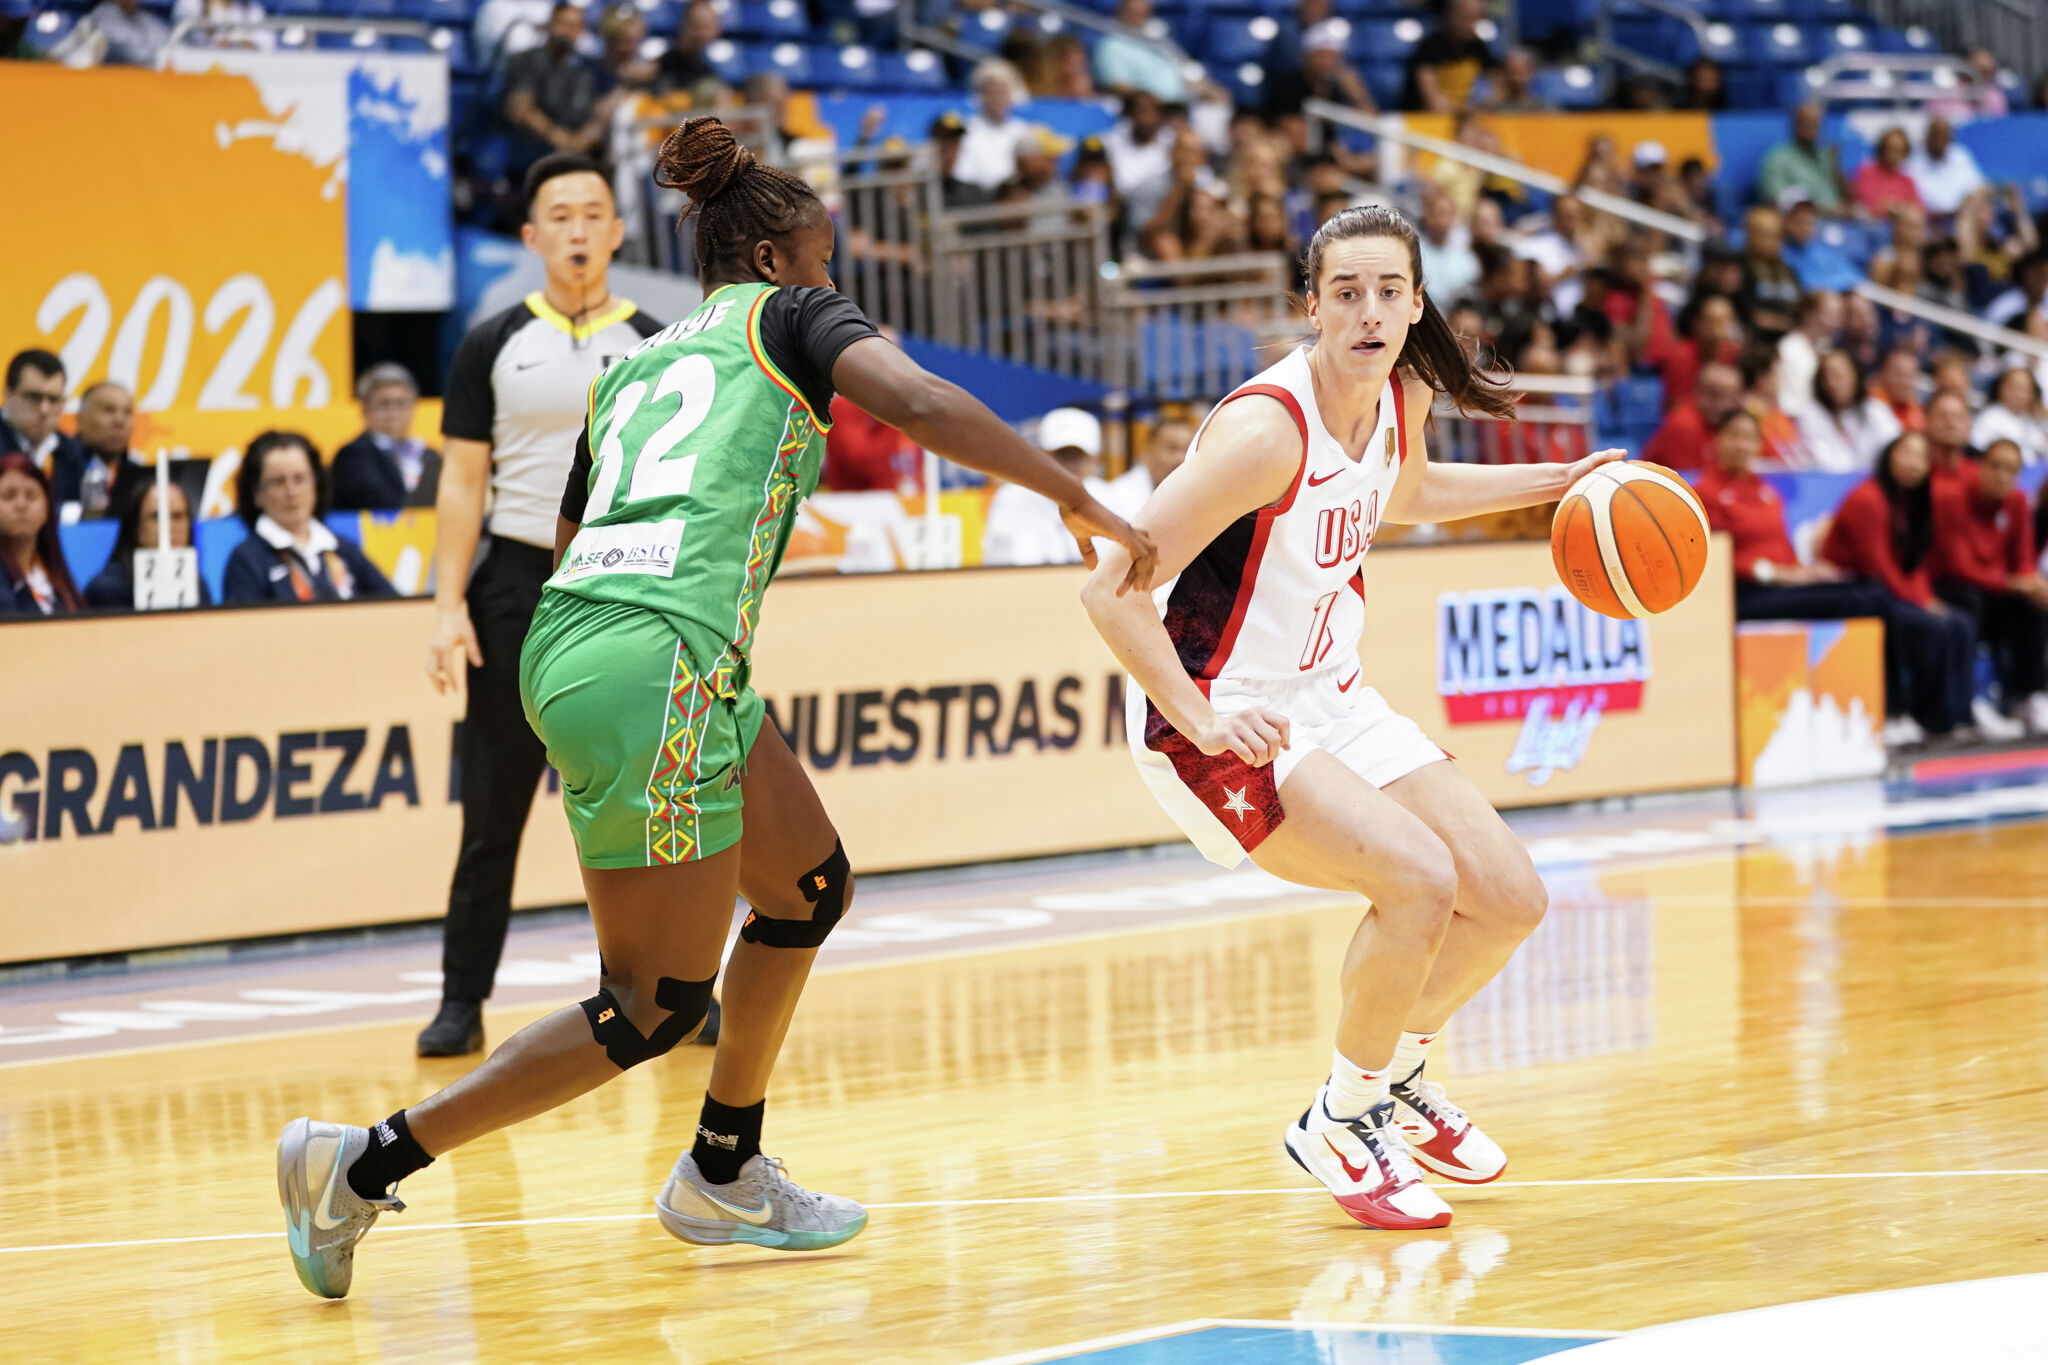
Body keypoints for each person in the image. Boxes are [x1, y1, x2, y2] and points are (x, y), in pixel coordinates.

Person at [276, 115, 1155, 1296]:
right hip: (663, 656)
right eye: (824, 257)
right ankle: (362, 1164)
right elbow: (924, 404)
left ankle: (723, 1166)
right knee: (651, 1005)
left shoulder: (630, 363)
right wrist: (1077, 497)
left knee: (805, 890)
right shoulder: (789, 315)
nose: (832, 279)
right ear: (772, 259)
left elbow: (571, 534)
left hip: (597, 639)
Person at [1080, 203, 1623, 1231]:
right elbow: (1109, 584)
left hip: (1329, 690)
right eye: (1344, 293)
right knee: (1416, 882)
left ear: (1415, 304)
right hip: (1223, 715)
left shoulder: (1400, 395)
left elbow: (1404, 492)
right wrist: (1197, 719)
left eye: (1386, 292)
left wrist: (1559, 481)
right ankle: (1339, 1118)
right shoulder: (1261, 433)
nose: (1367, 312)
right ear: (1310, 306)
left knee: (1507, 898)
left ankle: (1393, 1081)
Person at [418, 154, 666, 1057]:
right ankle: (459, 1002)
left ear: (617, 231)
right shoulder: (489, 342)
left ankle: (663, 987)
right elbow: (461, 481)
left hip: (624, 581)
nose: (575, 229)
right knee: (492, 813)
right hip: (515, 585)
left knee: (644, 805)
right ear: (531, 236)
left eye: (591, 213)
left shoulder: (657, 341)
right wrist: (446, 605)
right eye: (557, 214)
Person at [1820, 431, 1977, 743]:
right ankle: (1912, 712)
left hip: (1891, 590)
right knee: (1933, 627)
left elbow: (1914, 561)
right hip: (1857, 590)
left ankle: (1955, 716)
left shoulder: (1912, 503)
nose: (1914, 464)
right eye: (1906, 454)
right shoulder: (1869, 498)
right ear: (1888, 456)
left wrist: (1926, 597)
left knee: (1961, 622)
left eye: (1921, 457)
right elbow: (1876, 566)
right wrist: (1920, 602)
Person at [1693, 407, 1889, 622]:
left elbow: (1784, 549)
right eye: (1734, 435)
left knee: (1869, 588)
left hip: (1782, 586)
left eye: (1749, 438)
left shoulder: (1768, 493)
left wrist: (1808, 572)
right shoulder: (1706, 493)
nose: (1741, 445)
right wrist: (1777, 573)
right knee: (1863, 601)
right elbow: (1716, 562)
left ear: (1759, 445)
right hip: (1745, 593)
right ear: (1717, 440)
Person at [1932, 438, 2048, 732]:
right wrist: (2012, 583)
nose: (2002, 475)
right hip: (1951, 585)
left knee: (2033, 603)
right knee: (1971, 602)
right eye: (1995, 466)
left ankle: (2027, 696)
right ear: (1979, 467)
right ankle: (1973, 700)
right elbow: (1958, 567)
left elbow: (2023, 559)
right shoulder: (1954, 499)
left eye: (2011, 469)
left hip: (1996, 588)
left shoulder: (2018, 501)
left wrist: (2032, 584)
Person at [221, 433, 394, 604]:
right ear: (256, 494)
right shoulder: (247, 560)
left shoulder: (342, 550)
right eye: (278, 482)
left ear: (316, 485)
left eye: (300, 479)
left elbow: (397, 606)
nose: (291, 492)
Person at [984, 408, 1106, 566]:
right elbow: (997, 570)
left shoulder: (1110, 499)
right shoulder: (1011, 499)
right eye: (1062, 455)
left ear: (1095, 460)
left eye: (1077, 457)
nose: (1069, 466)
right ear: (1042, 455)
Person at [502, 4, 611, 174]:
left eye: (574, 26)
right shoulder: (526, 60)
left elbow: (601, 112)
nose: (567, 32)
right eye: (563, 24)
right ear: (550, 24)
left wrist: (582, 140)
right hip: (534, 152)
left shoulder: (588, 68)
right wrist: (559, 137)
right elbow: (519, 110)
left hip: (579, 152)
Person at [84, 477, 211, 610]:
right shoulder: (107, 590)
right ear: (135, 526)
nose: (168, 527)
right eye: (157, 517)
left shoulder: (198, 587)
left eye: (177, 516)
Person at [331, 364, 443, 511]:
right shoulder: (353, 455)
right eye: (384, 404)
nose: (393, 412)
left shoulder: (430, 455)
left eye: (401, 403)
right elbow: (378, 501)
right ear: (365, 409)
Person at [0, 452, 82, 618]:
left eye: (31, 496)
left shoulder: (55, 577)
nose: (21, 505)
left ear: (47, 509)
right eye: (9, 496)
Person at [1797, 350, 1901, 473]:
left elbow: (1892, 450)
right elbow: (1822, 462)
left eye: (1839, 375)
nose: (1832, 383)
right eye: (1826, 377)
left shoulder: (1877, 410)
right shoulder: (1811, 415)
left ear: (1855, 375)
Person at [48, 381, 138, 519]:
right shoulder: (56, 462)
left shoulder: (136, 474)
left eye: (127, 412)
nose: (119, 421)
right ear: (80, 419)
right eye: (109, 410)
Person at [1643, 361, 1743, 473]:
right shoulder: (1684, 425)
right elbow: (1687, 480)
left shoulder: (1732, 424)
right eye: (1713, 395)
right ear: (1698, 392)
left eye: (1728, 397)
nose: (1719, 404)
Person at [1402, 0, 1496, 114]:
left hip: (1465, 120)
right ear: (1450, 16)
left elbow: (1495, 93)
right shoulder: (1430, 46)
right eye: (1465, 18)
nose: (1471, 25)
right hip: (1427, 123)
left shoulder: (1479, 47)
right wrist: (1469, 110)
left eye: (1476, 19)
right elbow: (1433, 102)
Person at [954, 62, 1034, 194]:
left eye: (1002, 92)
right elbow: (963, 174)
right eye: (991, 92)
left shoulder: (1023, 131)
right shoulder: (966, 130)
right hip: (979, 198)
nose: (997, 98)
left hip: (1016, 198)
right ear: (980, 95)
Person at [1101, 408, 1194, 519]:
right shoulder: (1115, 497)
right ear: (1148, 450)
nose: (1180, 458)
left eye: (1187, 450)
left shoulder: (1198, 498)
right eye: (1172, 448)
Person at [0, 350, 83, 473]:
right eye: (34, 397)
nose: (44, 409)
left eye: (54, 399)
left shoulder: (75, 456)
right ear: (8, 394)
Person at [1758, 104, 1847, 215]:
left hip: (1840, 224)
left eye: (1817, 126)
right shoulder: (1778, 158)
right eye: (1808, 124)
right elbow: (1775, 202)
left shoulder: (1824, 156)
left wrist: (1836, 168)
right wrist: (1830, 211)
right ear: (1796, 125)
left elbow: (1842, 199)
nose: (1814, 131)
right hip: (1805, 225)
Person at [1092, 0, 1186, 103]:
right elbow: (1118, 86)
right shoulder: (1111, 46)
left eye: (1144, 14)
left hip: (1179, 106)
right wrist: (1154, 102)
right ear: (1120, 12)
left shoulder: (1157, 40)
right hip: (1144, 110)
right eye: (1133, 13)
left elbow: (1181, 70)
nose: (1139, 19)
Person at [1777, 192, 1861, 294]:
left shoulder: (1821, 247)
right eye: (1799, 221)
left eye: (1809, 221)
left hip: (1839, 296)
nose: (1805, 227)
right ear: (1784, 221)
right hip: (1812, 304)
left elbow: (1852, 275)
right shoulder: (1781, 253)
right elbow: (1807, 286)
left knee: (1858, 302)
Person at [1905, 117, 1986, 221]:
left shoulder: (1960, 155)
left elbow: (1978, 186)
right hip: (1928, 217)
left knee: (1982, 210)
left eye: (1944, 135)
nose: (1940, 140)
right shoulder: (1914, 161)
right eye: (1936, 135)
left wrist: (1967, 204)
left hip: (1962, 215)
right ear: (1927, 136)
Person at [1416, 182, 1480, 309]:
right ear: (1427, 216)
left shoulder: (1467, 259)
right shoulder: (1414, 252)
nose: (1443, 220)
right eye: (1439, 213)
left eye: (1447, 214)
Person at [1776, 290, 1839, 416]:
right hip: (1795, 416)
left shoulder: (1827, 347)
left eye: (1838, 314)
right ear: (1810, 314)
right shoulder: (1789, 348)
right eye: (1830, 313)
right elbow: (1789, 397)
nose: (1836, 321)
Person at [1971, 366, 2048, 465]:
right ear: (2002, 388)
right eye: (2014, 387)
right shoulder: (1989, 417)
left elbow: (2042, 447)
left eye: (2024, 389)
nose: (2018, 394)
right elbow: (1978, 451)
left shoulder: (2031, 421)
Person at [654, 0, 721, 97]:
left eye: (708, 26)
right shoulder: (660, 66)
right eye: (697, 26)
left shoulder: (708, 69)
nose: (702, 33)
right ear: (684, 25)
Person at [1851, 129, 1922, 220]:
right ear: (1882, 149)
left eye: (1899, 150)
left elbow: (1918, 208)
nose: (1894, 154)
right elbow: (1866, 205)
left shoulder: (1907, 181)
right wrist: (1891, 207)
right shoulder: (1866, 173)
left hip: (1901, 228)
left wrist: (1896, 207)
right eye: (1890, 149)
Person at [1874, 345, 1926, 434]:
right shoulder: (1868, 405)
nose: (1903, 382)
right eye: (1898, 374)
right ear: (1882, 374)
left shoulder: (1918, 414)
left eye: (1909, 376)